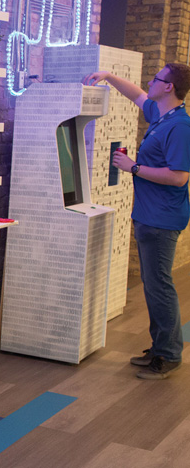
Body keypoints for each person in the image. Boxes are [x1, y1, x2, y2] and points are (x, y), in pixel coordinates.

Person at [83, 63, 190, 380]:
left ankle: (169, 354)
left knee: (159, 286)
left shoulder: (180, 127)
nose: (149, 81)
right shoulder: (162, 115)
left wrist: (133, 167)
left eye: (156, 78)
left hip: (162, 218)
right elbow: (138, 95)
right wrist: (109, 77)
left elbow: (179, 177)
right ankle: (160, 347)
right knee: (154, 284)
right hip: (149, 215)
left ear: (169, 86)